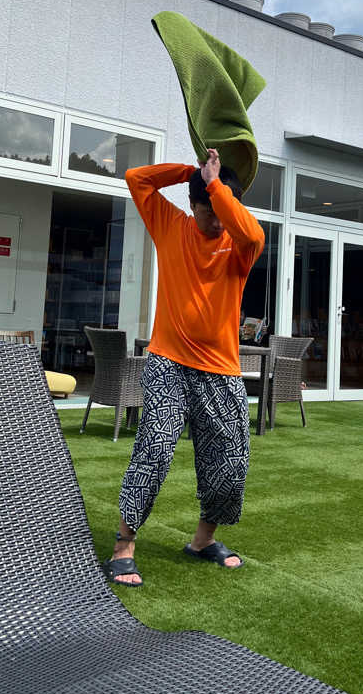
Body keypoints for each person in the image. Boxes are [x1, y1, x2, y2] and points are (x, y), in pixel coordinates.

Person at [103, 148, 265, 587]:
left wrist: (216, 186)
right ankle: (124, 544)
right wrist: (192, 172)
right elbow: (137, 177)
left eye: (220, 210)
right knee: (154, 449)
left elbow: (253, 234)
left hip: (221, 370)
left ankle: (202, 541)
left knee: (230, 463)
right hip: (168, 363)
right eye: (206, 211)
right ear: (191, 206)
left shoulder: (239, 245)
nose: (215, 220)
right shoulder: (171, 225)